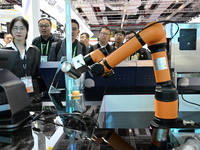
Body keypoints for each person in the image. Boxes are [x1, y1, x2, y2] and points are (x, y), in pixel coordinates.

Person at [3, 16, 41, 96]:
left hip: (33, 93)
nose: (18, 31)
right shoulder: (4, 51)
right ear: (11, 31)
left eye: (22, 28)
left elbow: (38, 73)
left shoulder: (34, 50)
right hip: (12, 93)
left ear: (27, 30)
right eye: (15, 28)